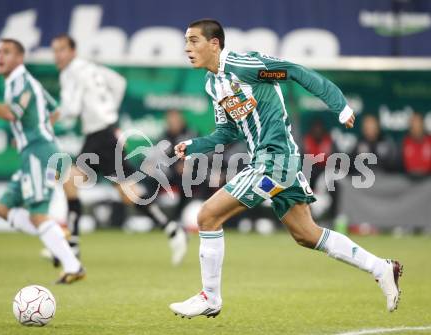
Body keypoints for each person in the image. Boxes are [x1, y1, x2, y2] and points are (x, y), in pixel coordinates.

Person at [169, 19, 402, 318]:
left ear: (214, 44)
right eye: (186, 42)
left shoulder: (246, 65)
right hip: (270, 162)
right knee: (307, 234)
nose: (187, 48)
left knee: (207, 215)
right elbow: (227, 132)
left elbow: (293, 71)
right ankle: (381, 267)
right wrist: (195, 145)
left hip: (275, 161)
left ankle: (210, 297)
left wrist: (339, 104)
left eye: (194, 40)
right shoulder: (213, 84)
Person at [51, 35, 187, 266]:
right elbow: (119, 83)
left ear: (72, 51)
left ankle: (71, 245)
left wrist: (48, 119)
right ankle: (72, 244)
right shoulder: (92, 68)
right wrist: (109, 111)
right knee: (121, 192)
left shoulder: (69, 73)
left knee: (83, 182)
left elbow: (71, 109)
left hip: (101, 136)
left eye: (61, 50)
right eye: (55, 51)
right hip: (102, 133)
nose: (57, 56)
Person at [0, 38, 85, 284]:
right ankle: (57, 236)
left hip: (39, 153)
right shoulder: (22, 82)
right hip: (32, 151)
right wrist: (30, 133)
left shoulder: (21, 81)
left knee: (37, 214)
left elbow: (11, 113)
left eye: (7, 52)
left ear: (20, 58)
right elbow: (53, 110)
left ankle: (72, 265)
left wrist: (37, 137)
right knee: (2, 208)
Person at [402, 112, 431, 177]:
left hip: (428, 180)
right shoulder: (404, 142)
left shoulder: (429, 141)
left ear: (423, 124)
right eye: (413, 123)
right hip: (409, 179)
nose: (415, 126)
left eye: (418, 122)